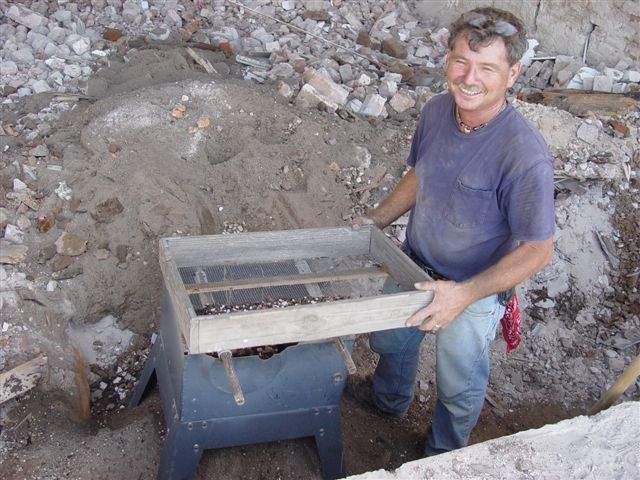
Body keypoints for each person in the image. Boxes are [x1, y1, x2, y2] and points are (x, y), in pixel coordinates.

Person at [355, 7, 555, 456]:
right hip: (414, 262)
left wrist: (463, 294)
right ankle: (387, 404)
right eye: (461, 61)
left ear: (513, 73)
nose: (469, 77)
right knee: (390, 341)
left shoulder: (523, 155)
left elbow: (538, 249)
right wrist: (375, 220)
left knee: (457, 379)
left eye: (487, 68)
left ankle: (443, 455)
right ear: (447, 58)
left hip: (474, 291)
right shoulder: (438, 111)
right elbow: (422, 174)